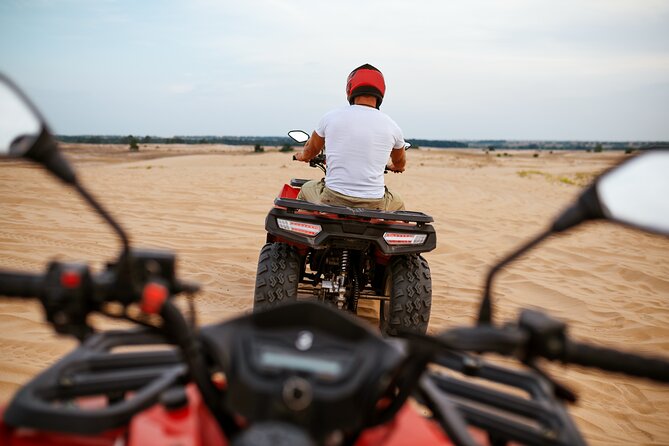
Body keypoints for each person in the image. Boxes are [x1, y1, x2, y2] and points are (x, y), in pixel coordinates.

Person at [294, 63, 407, 211]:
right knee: (398, 202)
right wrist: (395, 167)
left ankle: (307, 232)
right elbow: (400, 161)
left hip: (333, 198)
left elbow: (311, 149)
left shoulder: (331, 117)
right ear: (381, 92)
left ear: (350, 88)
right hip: (374, 203)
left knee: (306, 188)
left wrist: (303, 156)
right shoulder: (392, 126)